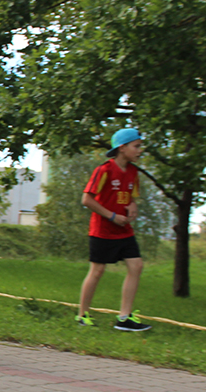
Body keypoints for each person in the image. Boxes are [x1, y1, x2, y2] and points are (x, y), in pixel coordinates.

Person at [75, 129, 151, 332]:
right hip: (102, 230)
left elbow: (130, 196)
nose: (140, 150)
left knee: (136, 266)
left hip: (124, 231)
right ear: (122, 148)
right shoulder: (104, 170)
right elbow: (87, 199)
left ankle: (124, 318)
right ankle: (82, 315)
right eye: (136, 146)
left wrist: (132, 205)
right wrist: (111, 216)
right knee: (97, 271)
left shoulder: (133, 172)